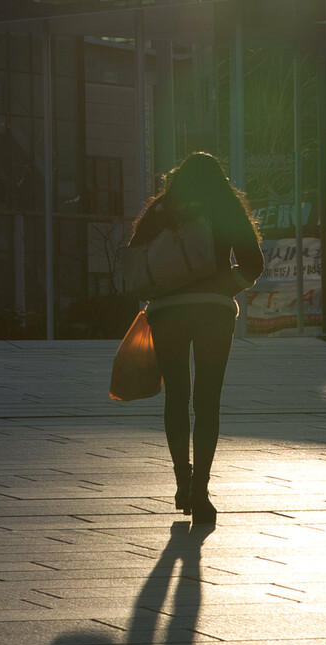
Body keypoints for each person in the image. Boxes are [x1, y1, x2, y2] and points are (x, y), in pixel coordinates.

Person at [129, 152, 264, 524]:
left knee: (176, 396)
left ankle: (181, 482)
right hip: (213, 313)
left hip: (167, 313)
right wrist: (224, 288)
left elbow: (138, 265)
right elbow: (254, 264)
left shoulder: (160, 210)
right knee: (207, 402)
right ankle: (201, 491)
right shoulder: (225, 205)